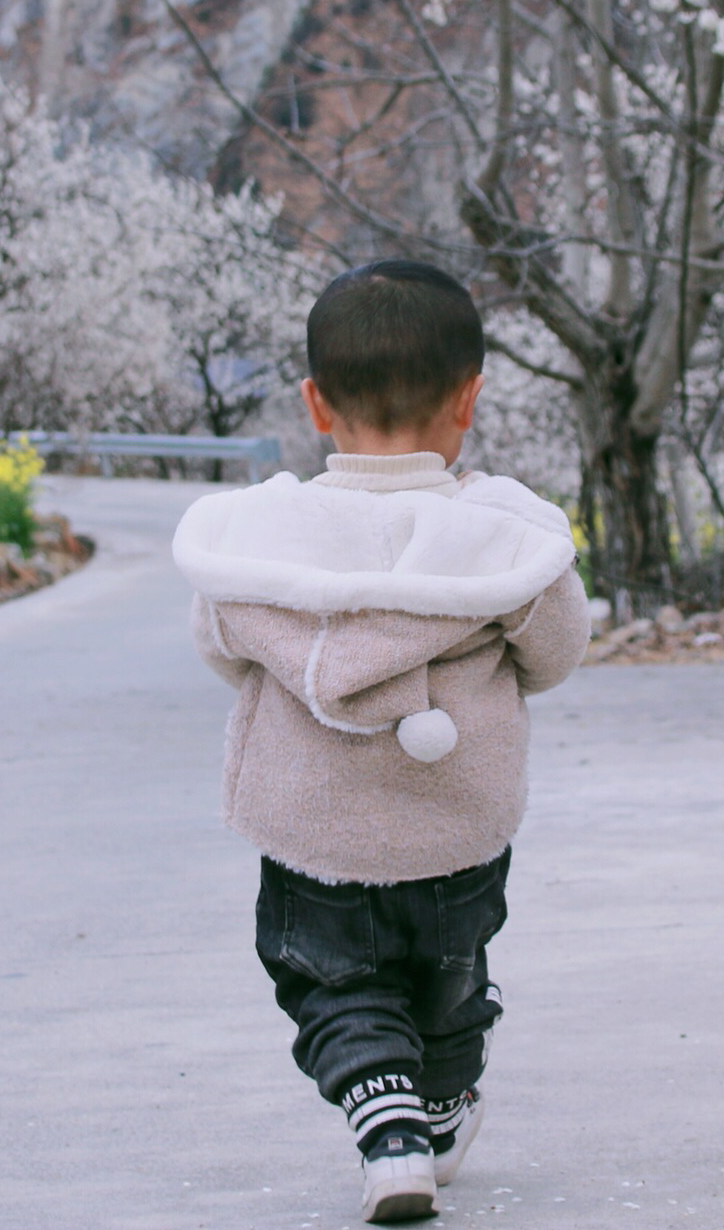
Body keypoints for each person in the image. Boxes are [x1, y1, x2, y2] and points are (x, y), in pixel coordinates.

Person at [173, 260, 590, 1224]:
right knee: (451, 987)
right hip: (455, 831)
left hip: (316, 833)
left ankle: (388, 1126)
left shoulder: (261, 538)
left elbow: (220, 645)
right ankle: (439, 1109)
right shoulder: (502, 541)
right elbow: (557, 654)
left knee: (332, 982)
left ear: (317, 402)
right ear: (470, 400)